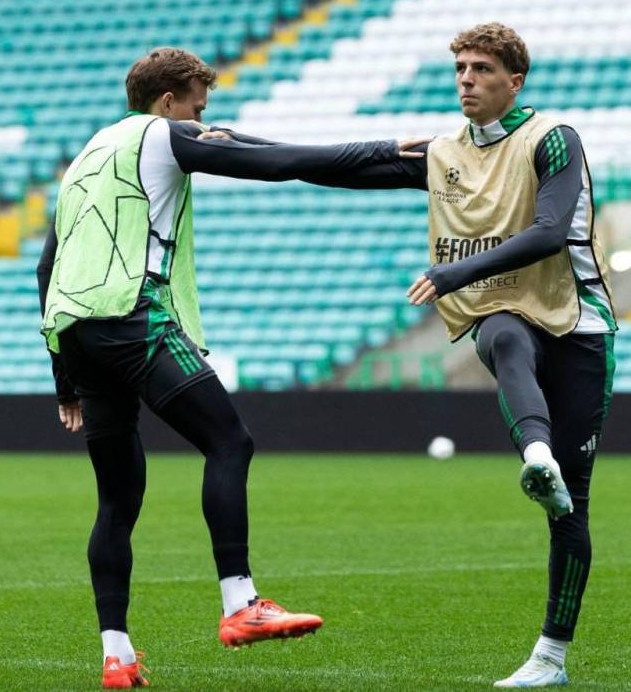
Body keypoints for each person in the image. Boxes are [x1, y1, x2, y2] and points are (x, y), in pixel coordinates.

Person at [36, 46, 426, 689]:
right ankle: (240, 603)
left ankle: (117, 654)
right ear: (169, 102)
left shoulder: (82, 161)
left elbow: (46, 270)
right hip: (134, 315)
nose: (202, 119)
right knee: (228, 440)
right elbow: (279, 162)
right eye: (198, 106)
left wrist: (64, 379)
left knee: (116, 501)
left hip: (78, 335)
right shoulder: (166, 135)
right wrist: (389, 152)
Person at [302, 22, 616, 688]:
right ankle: (537, 456)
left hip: (581, 323)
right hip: (511, 312)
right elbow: (342, 162)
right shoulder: (448, 153)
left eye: (480, 69)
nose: (466, 80)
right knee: (499, 330)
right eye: (460, 69)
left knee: (573, 509)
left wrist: (451, 275)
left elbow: (551, 231)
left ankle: (551, 656)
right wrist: (230, 147)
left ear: (514, 80)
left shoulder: (553, 138)